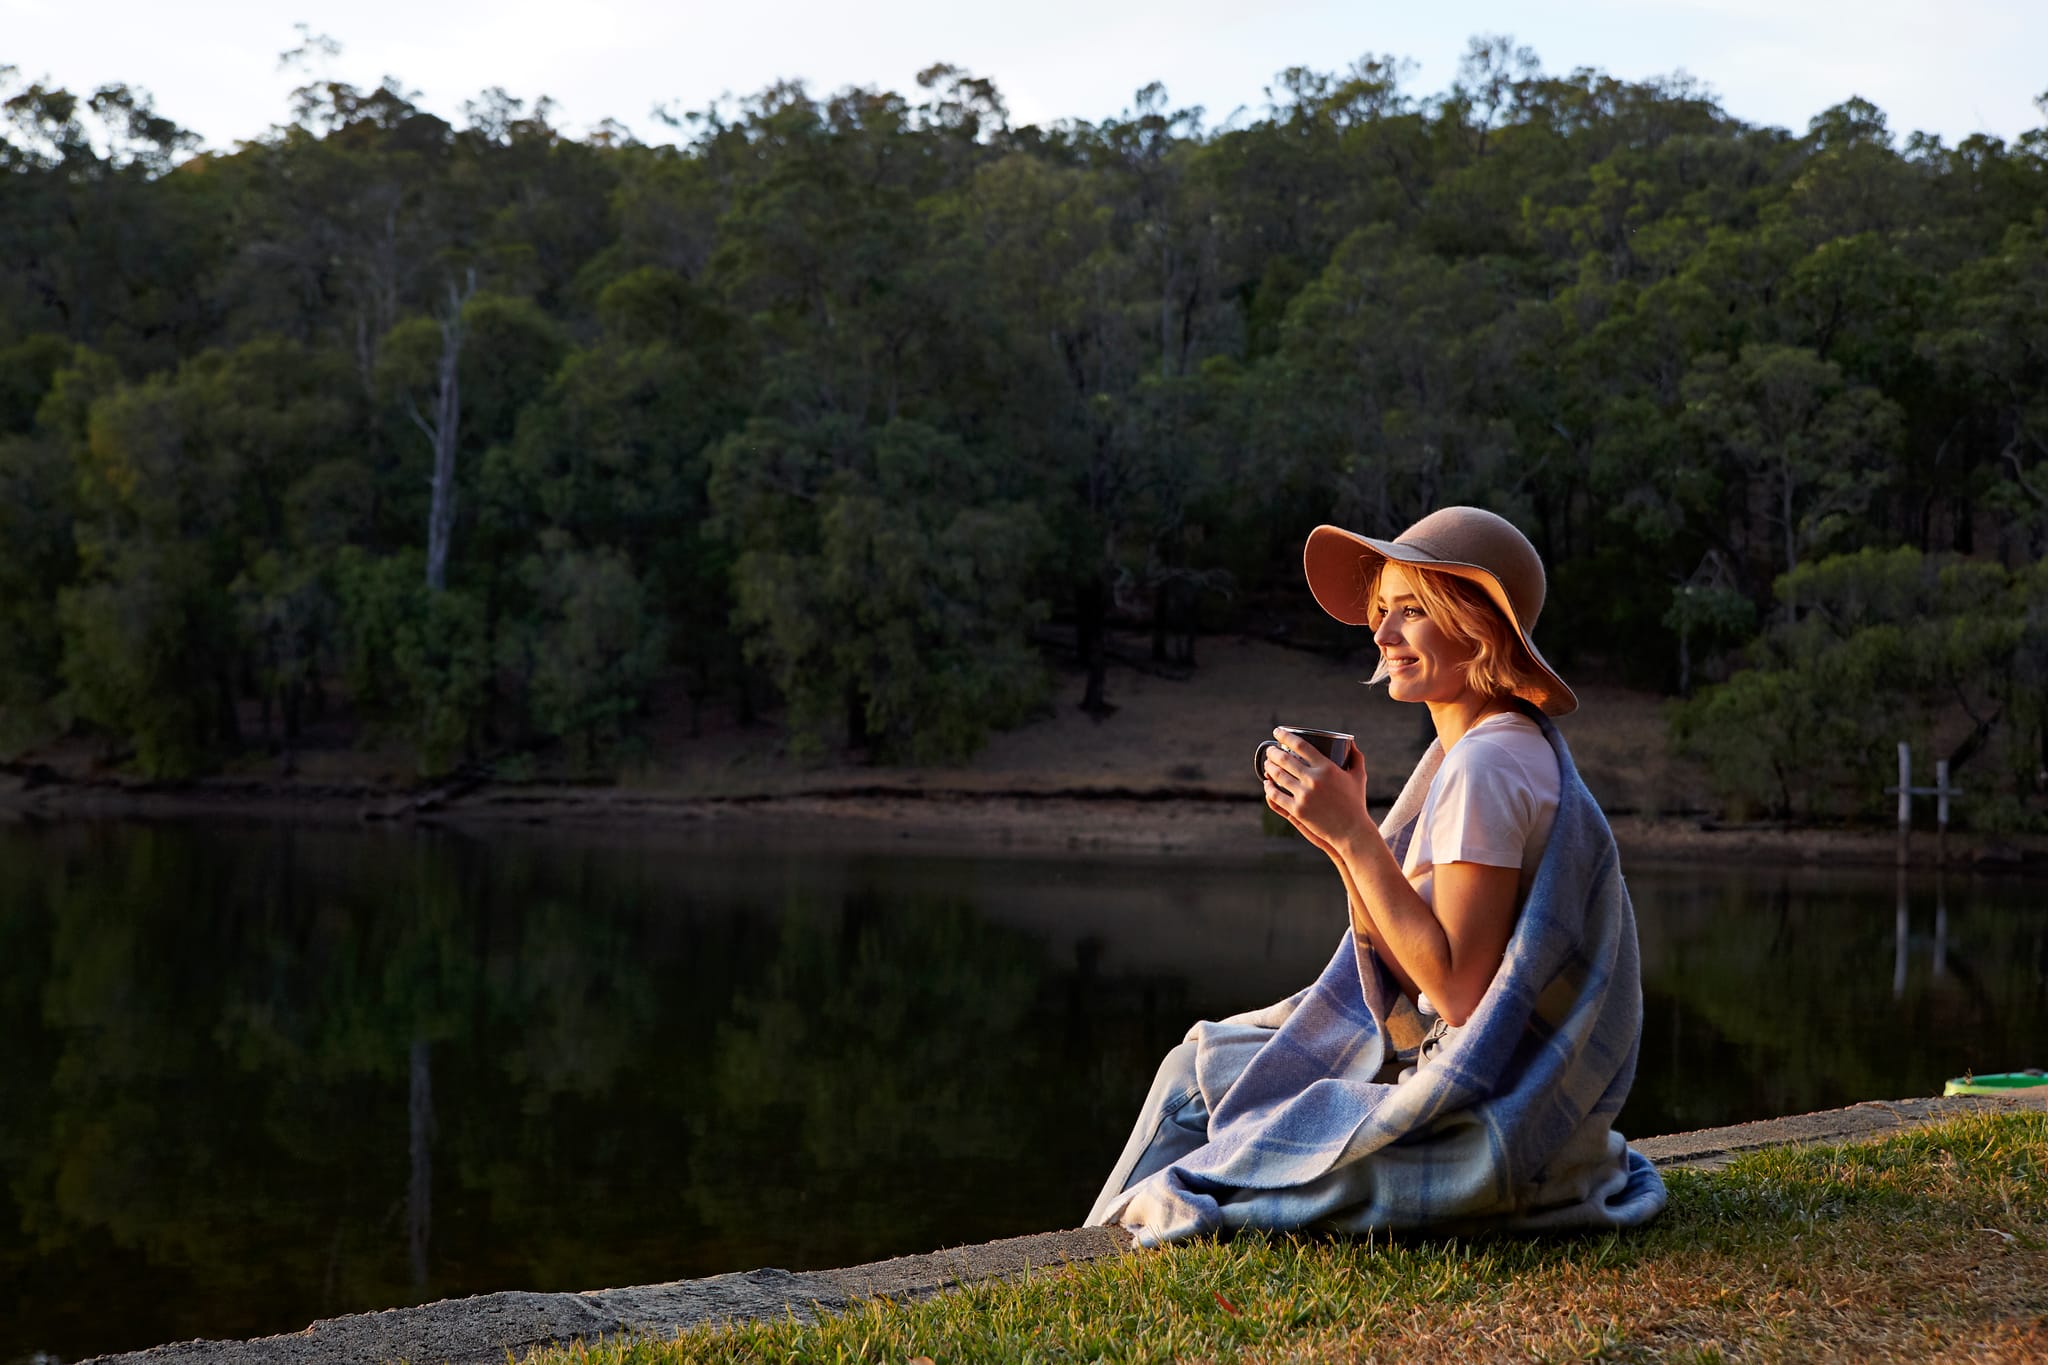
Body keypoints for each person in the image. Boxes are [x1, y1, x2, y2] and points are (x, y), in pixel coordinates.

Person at [1087, 506, 1666, 1246]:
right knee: (1201, 1062)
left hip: (1483, 1114)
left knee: (1190, 1087)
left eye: (1412, 611)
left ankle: (1087, 1255)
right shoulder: (1499, 747)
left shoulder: (1487, 766)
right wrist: (1338, 835)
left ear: (1477, 626)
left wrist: (1357, 835)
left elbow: (1457, 992)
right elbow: (1406, 975)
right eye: (1382, 610)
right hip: (1493, 1083)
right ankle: (1096, 1245)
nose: (1384, 634)